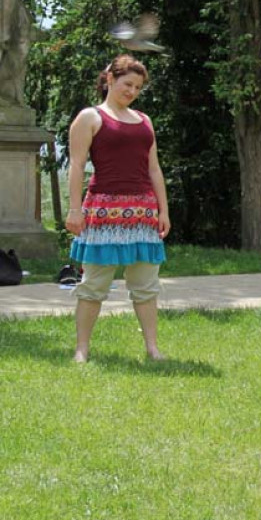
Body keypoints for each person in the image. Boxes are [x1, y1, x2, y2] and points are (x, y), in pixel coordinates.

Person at [65, 54, 171, 363]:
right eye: (127, 84)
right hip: (103, 212)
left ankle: (152, 349)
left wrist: (163, 210)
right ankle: (81, 350)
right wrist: (75, 209)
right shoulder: (90, 117)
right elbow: (76, 164)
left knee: (146, 284)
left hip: (143, 212)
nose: (132, 91)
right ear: (109, 79)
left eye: (137, 87)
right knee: (94, 284)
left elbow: (154, 169)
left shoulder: (144, 121)